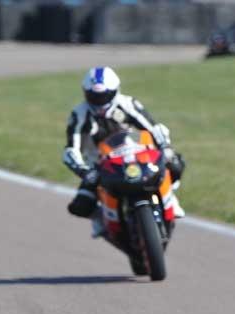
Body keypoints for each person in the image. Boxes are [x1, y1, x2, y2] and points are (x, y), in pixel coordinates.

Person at [63, 66, 186, 225]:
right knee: (80, 206)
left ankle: (170, 198)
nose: (100, 102)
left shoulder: (128, 104)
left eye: (104, 96)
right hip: (101, 166)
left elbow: (153, 128)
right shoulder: (79, 114)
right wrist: (84, 171)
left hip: (137, 155)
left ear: (115, 91)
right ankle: (103, 221)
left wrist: (165, 147)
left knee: (175, 163)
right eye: (94, 96)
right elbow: (72, 149)